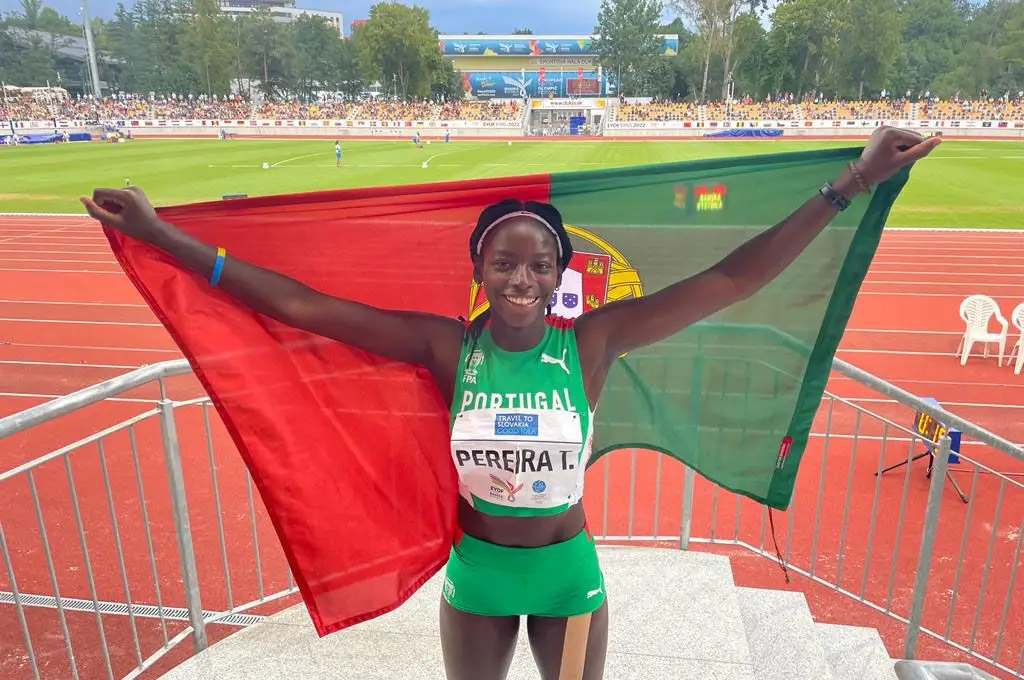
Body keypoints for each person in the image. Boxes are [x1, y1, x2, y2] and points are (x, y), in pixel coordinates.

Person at [80, 126, 938, 680]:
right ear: (479, 269)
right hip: (480, 572)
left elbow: (731, 278)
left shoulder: (591, 342)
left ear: (560, 272)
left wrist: (852, 182)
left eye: (538, 265)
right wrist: (163, 236)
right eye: (504, 263)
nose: (522, 279)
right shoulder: (447, 346)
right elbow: (303, 306)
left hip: (567, 575)